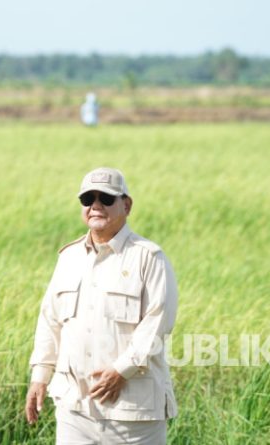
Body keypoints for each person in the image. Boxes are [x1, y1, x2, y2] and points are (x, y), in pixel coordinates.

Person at [25, 167, 178, 444]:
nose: (96, 205)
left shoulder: (149, 257)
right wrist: (40, 377)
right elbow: (50, 321)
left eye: (106, 199)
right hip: (75, 408)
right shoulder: (69, 257)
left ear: (126, 205)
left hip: (134, 412)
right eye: (88, 199)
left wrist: (121, 371)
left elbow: (158, 323)